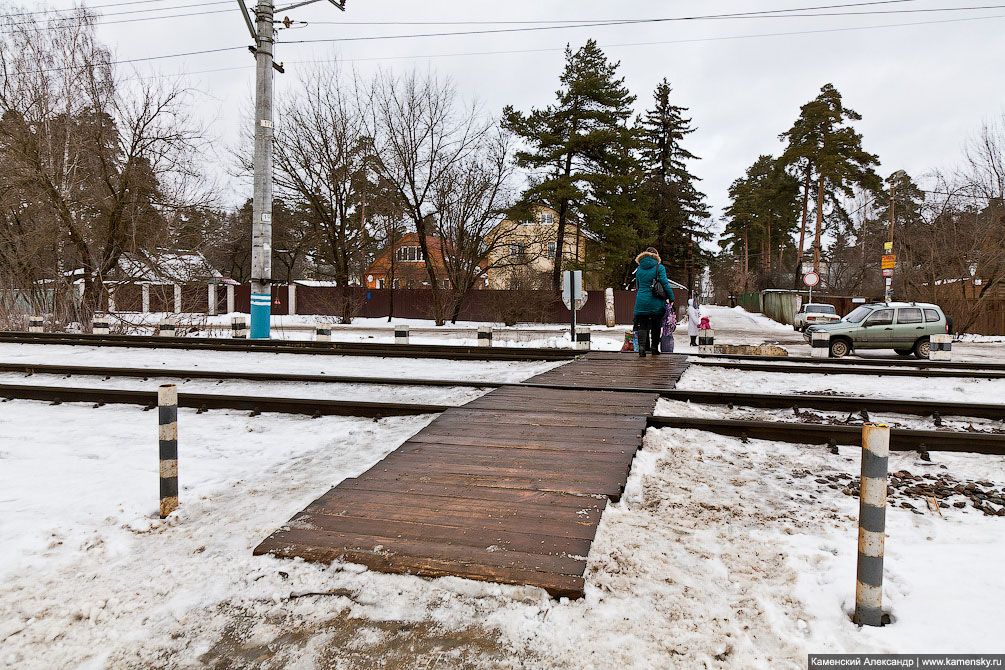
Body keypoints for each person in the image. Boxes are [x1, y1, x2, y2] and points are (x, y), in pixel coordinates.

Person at [633, 247, 674, 357]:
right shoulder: (659, 267)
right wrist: (671, 298)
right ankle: (654, 348)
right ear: (656, 256)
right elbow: (665, 283)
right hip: (656, 301)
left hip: (641, 301)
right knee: (656, 326)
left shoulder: (639, 269)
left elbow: (637, 286)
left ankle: (642, 347)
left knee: (642, 325)